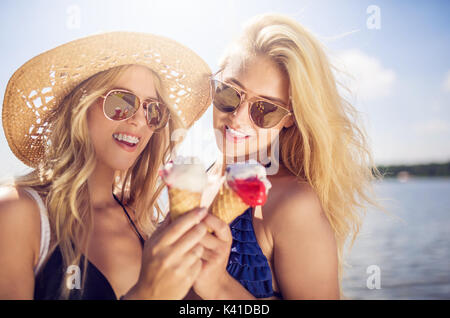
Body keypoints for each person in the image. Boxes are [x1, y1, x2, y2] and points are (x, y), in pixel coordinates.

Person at [0, 32, 217, 300]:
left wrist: (212, 281)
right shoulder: (18, 213)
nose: (139, 120)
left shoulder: (144, 223)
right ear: (81, 105)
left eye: (153, 110)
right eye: (121, 102)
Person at [190, 13, 383, 300]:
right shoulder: (195, 185)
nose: (238, 118)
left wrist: (219, 288)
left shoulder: (294, 204)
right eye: (230, 93)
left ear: (289, 119)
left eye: (266, 109)